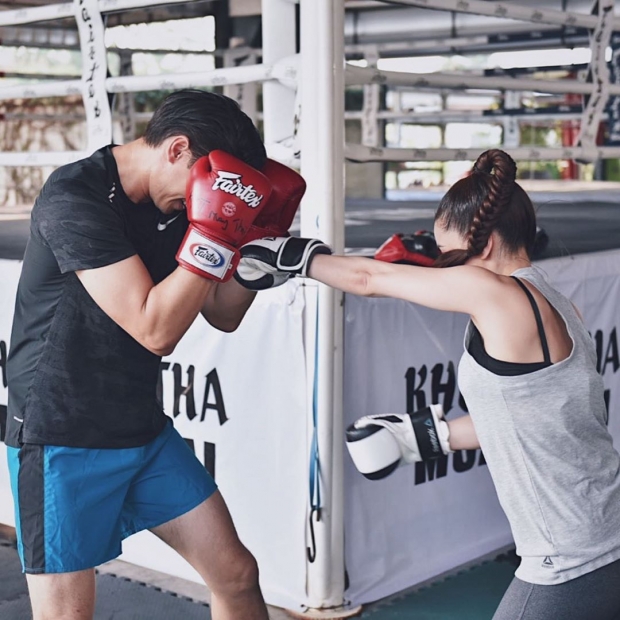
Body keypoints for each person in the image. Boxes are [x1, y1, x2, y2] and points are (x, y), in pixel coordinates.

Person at [234, 149, 620, 620]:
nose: (445, 269)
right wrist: (423, 437)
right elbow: (533, 417)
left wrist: (293, 257)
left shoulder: (495, 293)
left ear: (487, 245)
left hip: (570, 557)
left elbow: (367, 277)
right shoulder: (560, 304)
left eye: (449, 256)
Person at [4, 88, 306, 620]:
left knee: (236, 575)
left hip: (140, 427)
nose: (200, 207)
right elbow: (155, 328)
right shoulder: (76, 197)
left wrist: (257, 246)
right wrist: (214, 233)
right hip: (62, 434)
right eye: (204, 190)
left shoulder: (190, 201)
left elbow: (222, 313)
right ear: (176, 149)